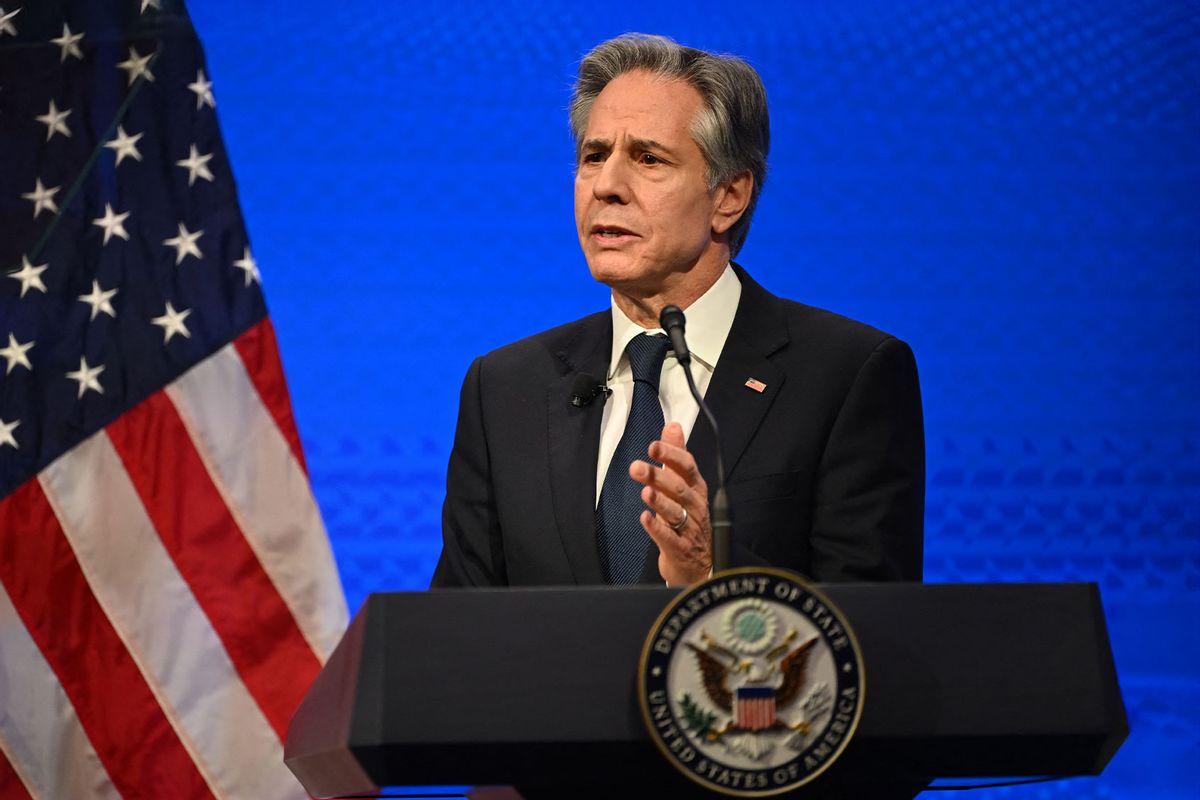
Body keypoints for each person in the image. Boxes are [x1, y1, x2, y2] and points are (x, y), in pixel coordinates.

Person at [431, 33, 924, 588]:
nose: (607, 186)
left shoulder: (846, 375)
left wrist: (709, 576)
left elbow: (866, 632)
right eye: (594, 156)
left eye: (648, 158)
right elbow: (458, 633)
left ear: (728, 196)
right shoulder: (505, 389)